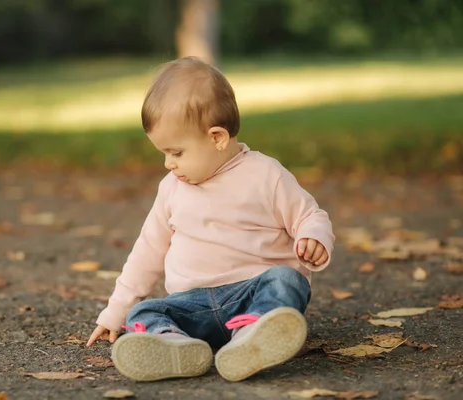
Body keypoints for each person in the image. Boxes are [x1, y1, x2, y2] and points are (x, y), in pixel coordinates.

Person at [86, 56, 334, 382]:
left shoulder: (265, 175)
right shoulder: (171, 189)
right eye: (163, 153)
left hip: (251, 295)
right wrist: (115, 311)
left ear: (217, 137)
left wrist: (312, 237)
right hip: (193, 306)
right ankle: (175, 345)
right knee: (142, 312)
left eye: (176, 152)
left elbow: (308, 215)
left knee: (287, 281)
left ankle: (253, 336)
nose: (167, 164)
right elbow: (147, 250)